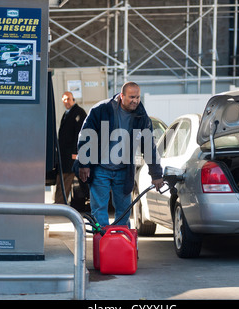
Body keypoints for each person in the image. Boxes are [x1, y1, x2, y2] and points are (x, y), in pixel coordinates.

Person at [77, 82, 164, 227]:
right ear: (121, 96)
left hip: (124, 171)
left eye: (137, 97)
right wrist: (84, 163)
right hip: (100, 169)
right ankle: (103, 245)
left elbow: (148, 146)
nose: (135, 101)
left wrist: (156, 174)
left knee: (123, 212)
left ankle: (121, 245)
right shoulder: (101, 109)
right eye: (131, 97)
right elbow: (86, 137)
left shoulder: (141, 116)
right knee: (99, 212)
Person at [54, 91, 87, 204]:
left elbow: (81, 134)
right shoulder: (67, 113)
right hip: (64, 154)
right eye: (64, 100)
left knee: (67, 178)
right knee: (61, 178)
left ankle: (60, 202)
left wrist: (76, 151)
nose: (66, 102)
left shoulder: (79, 113)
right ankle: (58, 201)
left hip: (72, 154)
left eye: (68, 99)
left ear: (73, 99)